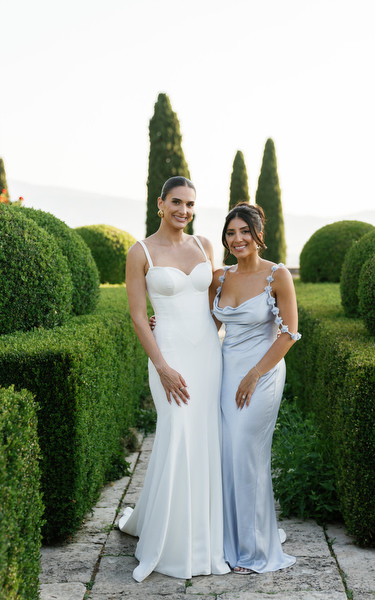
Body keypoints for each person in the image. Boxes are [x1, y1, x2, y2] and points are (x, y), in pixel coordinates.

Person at [119, 176, 230, 581]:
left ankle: (205, 534)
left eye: (191, 204)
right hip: (168, 355)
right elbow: (136, 314)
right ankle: (171, 542)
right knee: (177, 432)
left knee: (204, 436)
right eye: (177, 202)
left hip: (206, 353)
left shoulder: (204, 246)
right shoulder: (140, 251)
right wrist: (162, 365)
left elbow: (215, 302)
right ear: (160, 204)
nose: (184, 210)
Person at [211, 202, 300, 574]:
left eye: (244, 231)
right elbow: (203, 326)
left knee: (247, 452)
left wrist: (254, 374)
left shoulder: (277, 275)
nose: (237, 239)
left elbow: (289, 334)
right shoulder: (219, 278)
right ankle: (228, 539)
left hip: (262, 373)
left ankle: (254, 550)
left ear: (258, 234)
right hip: (225, 371)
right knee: (227, 453)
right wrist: (159, 323)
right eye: (231, 233)